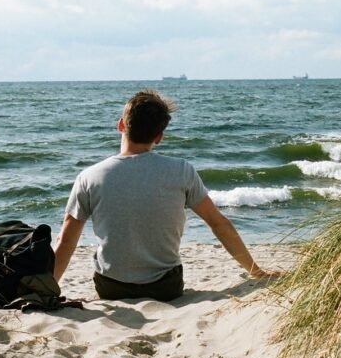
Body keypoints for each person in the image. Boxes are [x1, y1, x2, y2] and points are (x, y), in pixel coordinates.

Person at [52, 90, 280, 302]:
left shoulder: (89, 177)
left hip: (111, 288)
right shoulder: (181, 171)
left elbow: (66, 241)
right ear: (159, 137)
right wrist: (256, 271)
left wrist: (48, 289)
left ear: (121, 125)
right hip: (166, 288)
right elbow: (218, 224)